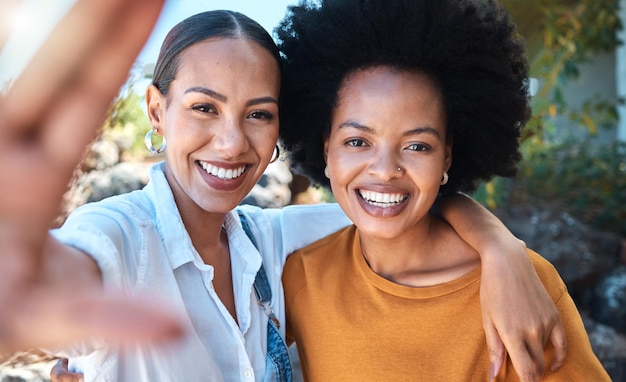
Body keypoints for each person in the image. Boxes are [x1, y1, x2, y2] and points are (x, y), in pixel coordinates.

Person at [0, 1, 563, 381]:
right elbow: (62, 274)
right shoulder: (119, 237)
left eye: (258, 114)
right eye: (204, 107)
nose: (230, 142)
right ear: (157, 109)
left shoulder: (274, 239)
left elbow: (394, 200)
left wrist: (503, 252)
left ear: (281, 129)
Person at [276, 0, 610, 381]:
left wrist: (500, 251)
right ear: (325, 149)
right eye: (357, 141)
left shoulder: (520, 284)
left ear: (447, 157)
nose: (385, 171)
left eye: (417, 146)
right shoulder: (301, 277)